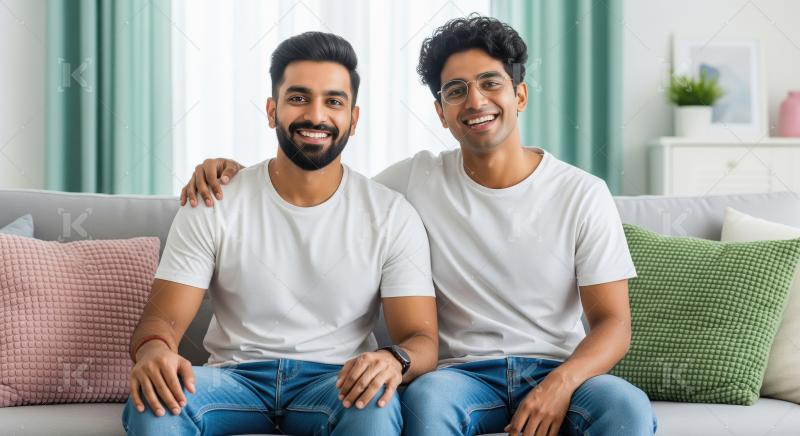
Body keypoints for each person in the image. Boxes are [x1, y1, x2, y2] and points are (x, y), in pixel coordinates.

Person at [182, 15, 657, 436]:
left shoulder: (582, 193)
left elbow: (613, 323)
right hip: (459, 377)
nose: (475, 101)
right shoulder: (414, 179)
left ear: (520, 95)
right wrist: (234, 174)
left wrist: (562, 384)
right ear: (441, 112)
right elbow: (322, 176)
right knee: (425, 405)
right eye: (456, 91)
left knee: (627, 411)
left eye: (491, 83)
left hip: (561, 368)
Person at [122, 31, 438, 436]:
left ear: (353, 120)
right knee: (152, 406)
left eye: (334, 101)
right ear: (272, 111)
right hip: (234, 379)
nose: (316, 115)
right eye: (298, 98)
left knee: (375, 410)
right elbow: (161, 321)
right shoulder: (215, 199)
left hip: (335, 383)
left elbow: (422, 339)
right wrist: (153, 352)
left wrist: (395, 359)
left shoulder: (391, 215)